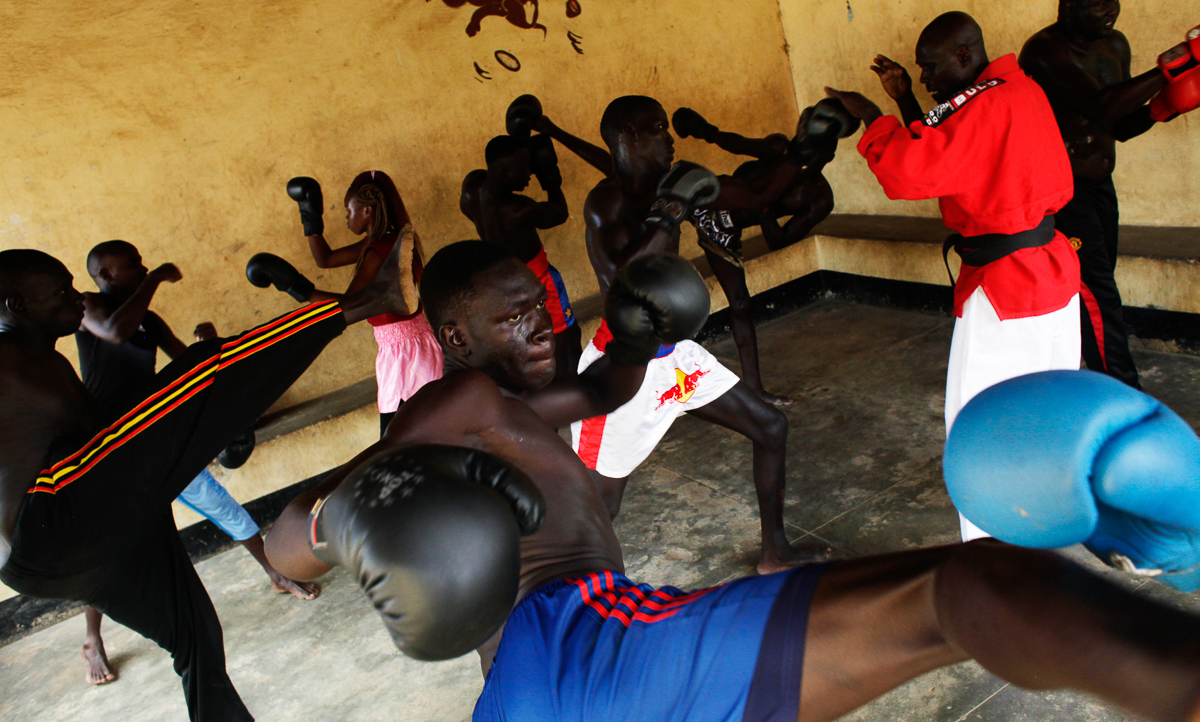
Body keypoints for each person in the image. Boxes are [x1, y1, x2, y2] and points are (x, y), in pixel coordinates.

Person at [266, 241, 1200, 722]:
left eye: (541, 307)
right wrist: (337, 525)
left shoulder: (507, 399)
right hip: (579, 637)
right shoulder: (458, 398)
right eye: (516, 320)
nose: (543, 326)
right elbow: (286, 538)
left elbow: (601, 390)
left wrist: (638, 335)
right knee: (968, 588)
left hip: (520, 690)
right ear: (457, 338)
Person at [0, 242, 412, 721]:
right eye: (61, 291)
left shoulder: (45, 361)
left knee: (196, 636)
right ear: (18, 305)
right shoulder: (6, 359)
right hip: (48, 520)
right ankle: (368, 300)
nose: (76, 297)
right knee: (202, 370)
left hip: (63, 554)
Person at [826, 11, 1081, 542]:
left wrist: (874, 118)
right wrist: (903, 100)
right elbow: (949, 140)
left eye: (931, 67)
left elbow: (908, 170)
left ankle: (991, 554)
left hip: (1007, 290)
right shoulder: (1018, 89)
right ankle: (1045, 525)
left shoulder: (983, 104)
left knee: (980, 426)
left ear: (965, 56)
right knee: (1048, 415)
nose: (925, 80)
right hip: (1051, 274)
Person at [575, 94, 846, 574]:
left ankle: (775, 552)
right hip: (622, 366)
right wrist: (669, 211)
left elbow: (757, 197)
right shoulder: (606, 202)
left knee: (771, 427)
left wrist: (801, 150)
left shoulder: (674, 182)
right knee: (601, 500)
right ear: (631, 135)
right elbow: (623, 282)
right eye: (659, 128)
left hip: (673, 354)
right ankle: (569, 593)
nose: (669, 139)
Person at [73, 240, 319, 685]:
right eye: (133, 265)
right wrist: (155, 278)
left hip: (154, 434)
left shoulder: (147, 320)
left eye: (143, 264)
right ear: (105, 275)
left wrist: (207, 346)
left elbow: (187, 364)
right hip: (112, 447)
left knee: (218, 503)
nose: (142, 267)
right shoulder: (90, 307)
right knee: (110, 544)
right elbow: (114, 331)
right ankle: (92, 637)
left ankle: (275, 571)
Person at [1018, 0, 1192, 389]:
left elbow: (1119, 124)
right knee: (1098, 293)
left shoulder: (1115, 45)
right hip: (1061, 191)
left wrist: (1163, 108)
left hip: (1100, 186)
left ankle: (1082, 379)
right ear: (1069, 7)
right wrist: (1171, 68)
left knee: (1094, 288)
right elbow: (1100, 105)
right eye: (1100, 5)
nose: (1111, 11)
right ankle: (1124, 394)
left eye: (1115, 1)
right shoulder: (1043, 51)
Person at [669, 103, 850, 405]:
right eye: (808, 146)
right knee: (658, 233)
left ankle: (754, 388)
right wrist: (703, 130)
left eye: (819, 152)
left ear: (829, 156)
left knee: (740, 303)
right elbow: (733, 142)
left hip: (723, 231)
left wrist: (764, 214)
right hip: (709, 197)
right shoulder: (779, 149)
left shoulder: (819, 198)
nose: (810, 157)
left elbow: (780, 241)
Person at [287, 170, 441, 435]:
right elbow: (325, 259)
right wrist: (310, 216)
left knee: (399, 439)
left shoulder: (379, 251)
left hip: (405, 355)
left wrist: (299, 289)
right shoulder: (384, 241)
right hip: (410, 346)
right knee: (416, 434)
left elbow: (350, 305)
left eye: (349, 211)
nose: (347, 218)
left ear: (367, 211)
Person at [460, 121, 583, 376]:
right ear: (503, 171)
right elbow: (559, 213)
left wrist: (521, 145)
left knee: (528, 340)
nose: (530, 172)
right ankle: (574, 389)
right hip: (538, 281)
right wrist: (549, 177)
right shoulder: (518, 209)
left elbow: (498, 164)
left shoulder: (472, 189)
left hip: (503, 284)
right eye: (524, 168)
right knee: (566, 339)